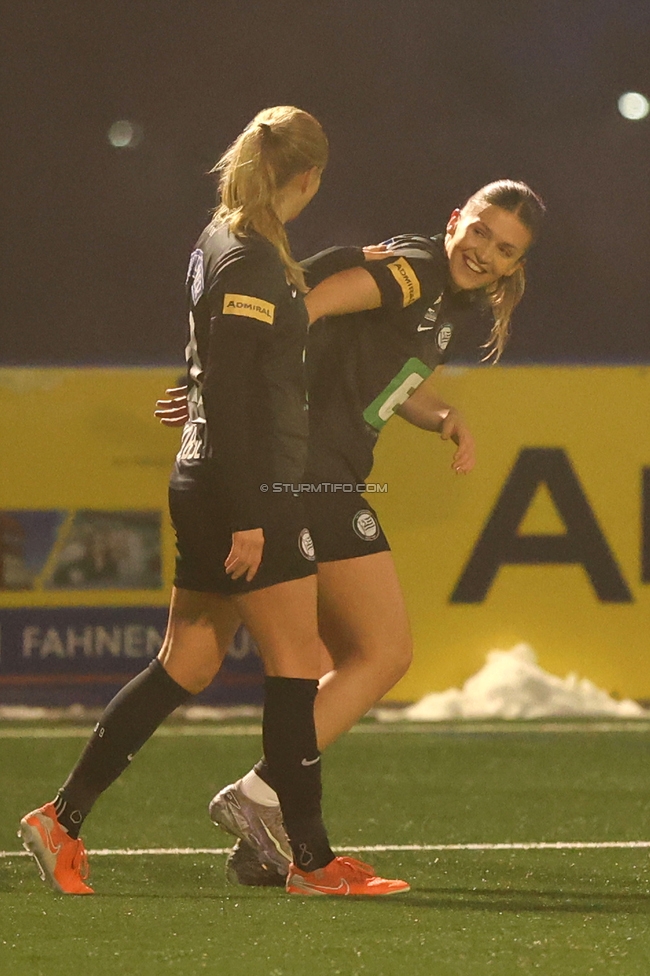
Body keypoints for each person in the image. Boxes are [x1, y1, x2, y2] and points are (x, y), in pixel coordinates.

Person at [18, 106, 409, 899]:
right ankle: (311, 861)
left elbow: (223, 361)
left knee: (186, 662)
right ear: (309, 178)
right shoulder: (255, 262)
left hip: (207, 474)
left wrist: (194, 396)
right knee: (299, 665)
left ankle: (61, 820)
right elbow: (234, 387)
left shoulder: (222, 237)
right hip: (249, 484)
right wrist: (251, 515)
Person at [156, 179, 546, 886]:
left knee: (288, 658)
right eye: (481, 231)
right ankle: (260, 799)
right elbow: (309, 305)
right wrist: (226, 375)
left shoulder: (450, 304)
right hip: (308, 469)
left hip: (317, 468)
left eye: (505, 248)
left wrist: (441, 415)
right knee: (380, 651)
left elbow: (391, 381)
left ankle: (261, 824)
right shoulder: (419, 269)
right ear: (455, 219)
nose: (485, 251)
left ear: (517, 267)